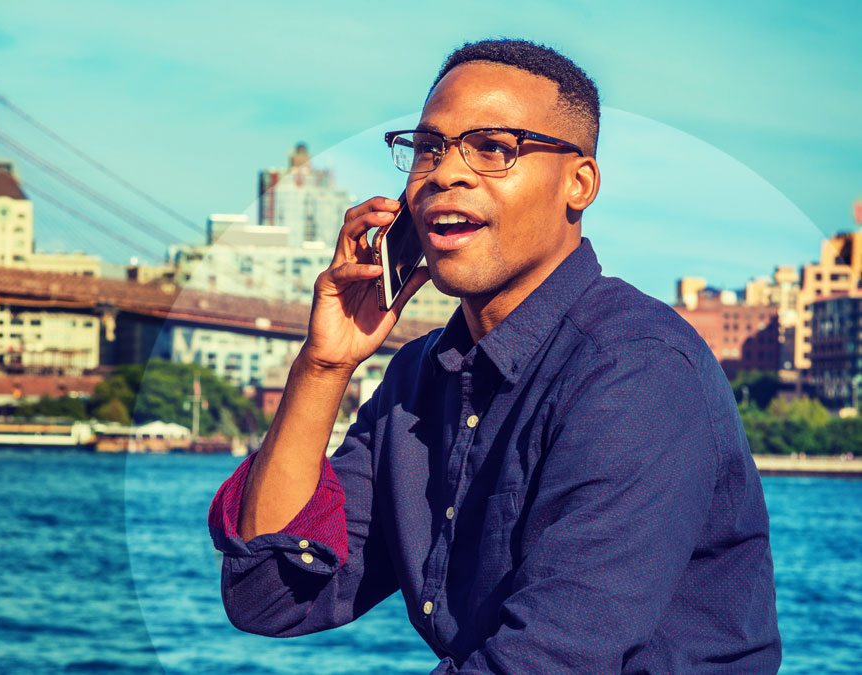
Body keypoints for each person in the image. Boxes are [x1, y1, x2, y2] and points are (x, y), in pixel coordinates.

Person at [208, 39, 781, 673]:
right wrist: (323, 368)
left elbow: (551, 658)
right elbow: (268, 597)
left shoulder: (637, 370)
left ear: (579, 183)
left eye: (493, 148)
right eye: (429, 149)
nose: (446, 173)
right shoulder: (418, 379)